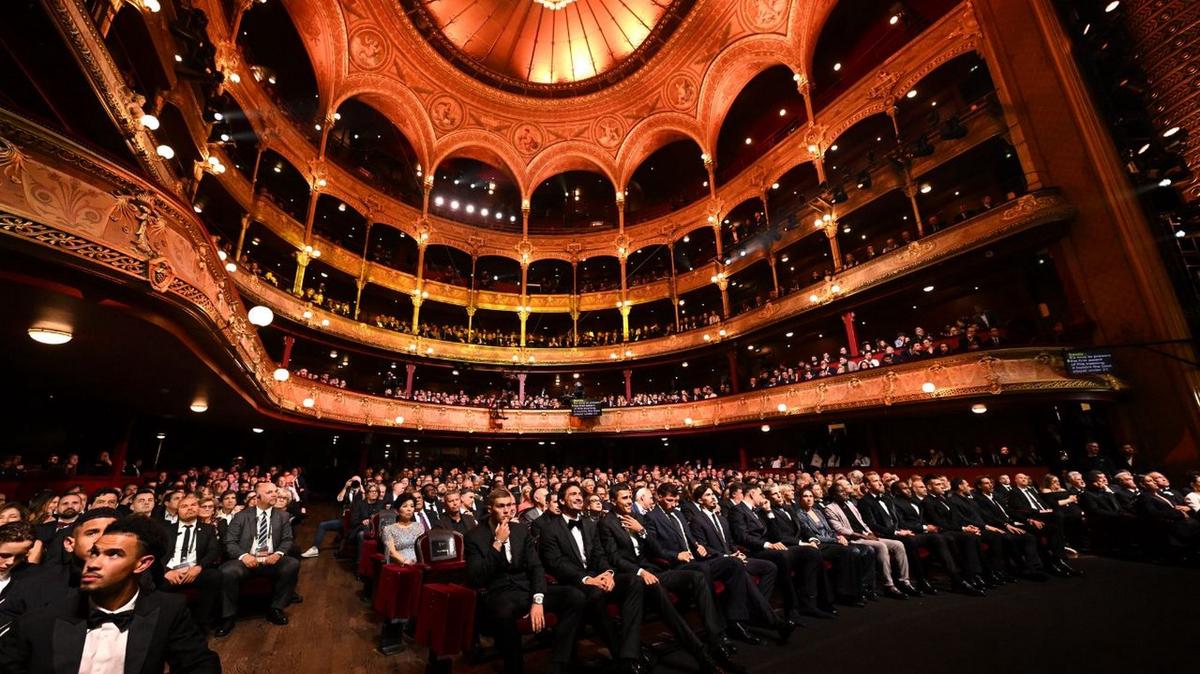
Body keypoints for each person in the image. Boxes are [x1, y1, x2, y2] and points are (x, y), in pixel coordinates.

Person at [0, 516, 220, 673]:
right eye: (95, 552)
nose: (93, 563)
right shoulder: (40, 618)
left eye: (113, 555)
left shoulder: (168, 610)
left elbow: (199, 664)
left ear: (142, 564)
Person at [599, 483, 742, 674]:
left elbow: (656, 549)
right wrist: (640, 572)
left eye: (629, 497)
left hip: (654, 570)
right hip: (632, 575)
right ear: (612, 500)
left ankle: (715, 638)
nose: (628, 501)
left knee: (697, 577)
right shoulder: (606, 523)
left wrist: (641, 531)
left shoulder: (637, 517)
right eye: (624, 498)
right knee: (664, 600)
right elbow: (614, 557)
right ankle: (702, 655)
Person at [465, 488, 584, 674]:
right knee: (503, 611)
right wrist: (497, 543)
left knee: (575, 596)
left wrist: (538, 599)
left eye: (510, 505)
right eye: (501, 506)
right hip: (500, 592)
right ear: (490, 508)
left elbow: (536, 567)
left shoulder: (520, 530)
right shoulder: (474, 536)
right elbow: (477, 577)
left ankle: (560, 661)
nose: (507, 510)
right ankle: (514, 668)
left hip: (526, 588)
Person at [536, 482, 645, 674]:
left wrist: (609, 573)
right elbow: (557, 564)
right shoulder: (549, 528)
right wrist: (587, 579)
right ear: (561, 500)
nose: (579, 497)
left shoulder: (589, 524)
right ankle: (622, 656)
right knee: (595, 594)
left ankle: (630, 650)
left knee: (634, 581)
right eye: (573, 494)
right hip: (573, 583)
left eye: (580, 494)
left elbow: (600, 555)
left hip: (598, 577)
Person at [216, 481, 300, 636]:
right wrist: (244, 556)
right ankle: (228, 616)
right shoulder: (241, 516)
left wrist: (278, 554)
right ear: (258, 496)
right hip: (246, 560)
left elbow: (288, 539)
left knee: (292, 564)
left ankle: (276, 608)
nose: (274, 494)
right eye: (269, 492)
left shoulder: (282, 516)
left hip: (271, 560)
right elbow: (230, 541)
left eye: (275, 491)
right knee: (227, 571)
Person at [824, 481, 914, 599]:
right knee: (881, 546)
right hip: (853, 539)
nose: (845, 493)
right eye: (841, 492)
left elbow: (862, 522)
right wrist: (864, 536)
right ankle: (889, 585)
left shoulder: (850, 504)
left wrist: (869, 532)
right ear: (834, 495)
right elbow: (840, 529)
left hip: (866, 535)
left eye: (845, 491)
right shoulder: (830, 508)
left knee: (898, 544)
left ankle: (904, 581)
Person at [156, 494, 222, 634]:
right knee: (155, 582)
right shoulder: (165, 529)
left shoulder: (207, 529)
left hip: (194, 571)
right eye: (184, 506)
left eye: (193, 505)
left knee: (214, 576)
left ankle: (201, 623)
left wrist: (198, 568)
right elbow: (156, 553)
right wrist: (166, 571)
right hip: (170, 572)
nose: (190, 508)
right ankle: (165, 628)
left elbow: (213, 551)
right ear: (177, 510)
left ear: (198, 508)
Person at [381, 494, 422, 565]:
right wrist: (406, 562)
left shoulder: (419, 526)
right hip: (400, 564)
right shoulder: (389, 529)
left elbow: (423, 548)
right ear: (397, 511)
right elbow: (392, 552)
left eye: (412, 506)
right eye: (405, 506)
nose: (409, 509)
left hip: (419, 563)